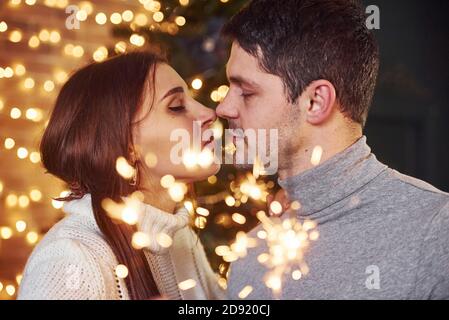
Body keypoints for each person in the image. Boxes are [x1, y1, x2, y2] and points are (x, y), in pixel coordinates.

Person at [217, 0, 449, 299]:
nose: (223, 107)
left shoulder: (436, 231)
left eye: (246, 92)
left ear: (315, 102)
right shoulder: (250, 257)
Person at [18, 52, 225, 300]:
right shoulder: (71, 259)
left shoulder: (181, 241)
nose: (208, 113)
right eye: (177, 107)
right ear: (127, 146)